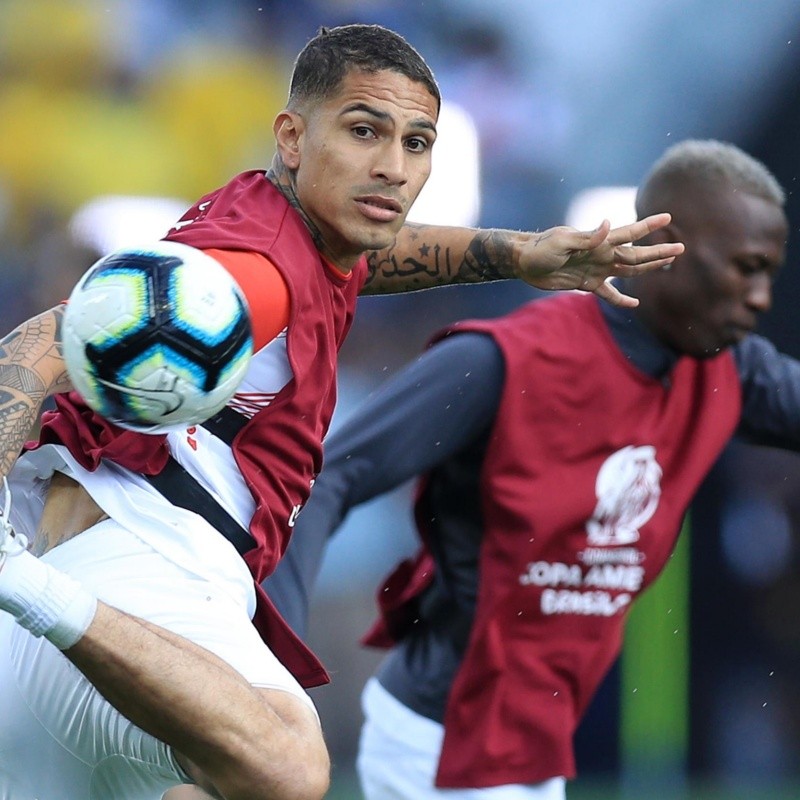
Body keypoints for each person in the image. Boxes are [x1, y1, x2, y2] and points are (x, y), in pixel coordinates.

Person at [0, 22, 681, 800]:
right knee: (286, 763)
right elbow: (50, 335)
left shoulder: (290, 228)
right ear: (292, 136)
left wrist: (519, 255)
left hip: (82, 609)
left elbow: (364, 261)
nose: (393, 166)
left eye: (417, 143)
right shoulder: (255, 271)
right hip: (135, 557)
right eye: (364, 131)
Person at [264, 138, 795, 800]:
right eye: (744, 268)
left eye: (769, 271)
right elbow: (324, 480)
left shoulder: (731, 371)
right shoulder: (506, 361)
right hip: (437, 749)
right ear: (668, 246)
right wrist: (268, 669)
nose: (761, 297)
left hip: (533, 757)